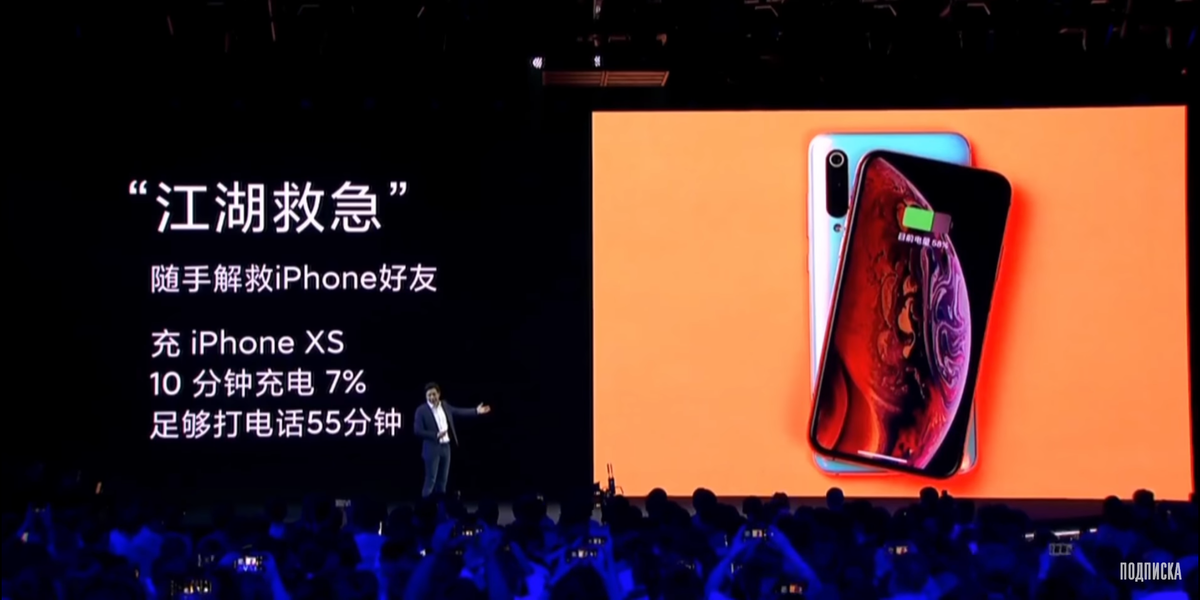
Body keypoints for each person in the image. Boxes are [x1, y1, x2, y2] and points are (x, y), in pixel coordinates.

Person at [413, 382, 492, 497]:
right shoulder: (421, 410)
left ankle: (440, 506)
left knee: (442, 481)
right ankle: (425, 506)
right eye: (429, 395)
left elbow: (459, 412)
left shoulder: (444, 405)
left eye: (434, 394)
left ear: (439, 394)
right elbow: (417, 430)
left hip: (446, 447)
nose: (432, 397)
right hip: (431, 449)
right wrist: (435, 435)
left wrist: (476, 411)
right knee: (431, 480)